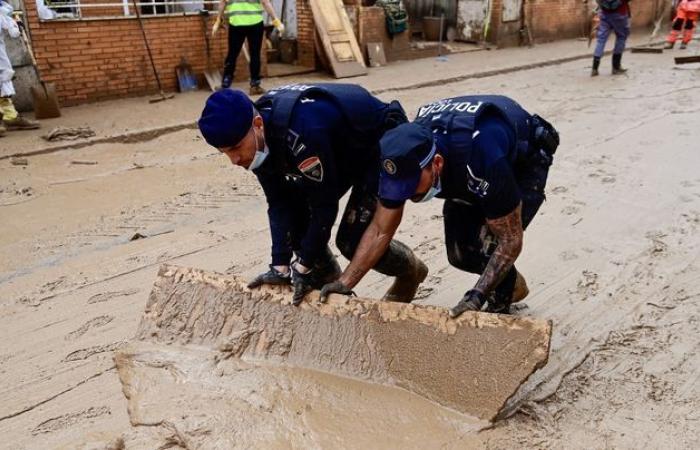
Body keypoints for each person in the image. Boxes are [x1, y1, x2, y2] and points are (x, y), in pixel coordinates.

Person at [319, 95, 559, 317]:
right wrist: (345, 282)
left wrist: (476, 297)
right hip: (462, 162)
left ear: (436, 163)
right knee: (460, 255)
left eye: (411, 184)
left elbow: (510, 240)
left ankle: (502, 301)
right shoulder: (402, 156)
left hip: (520, 162)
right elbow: (381, 229)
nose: (408, 194)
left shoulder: (482, 157)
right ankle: (512, 283)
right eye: (399, 187)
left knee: (487, 247)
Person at [197, 84, 427, 305]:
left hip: (375, 142)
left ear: (258, 124)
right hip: (337, 147)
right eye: (224, 152)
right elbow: (278, 202)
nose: (234, 160)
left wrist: (303, 265)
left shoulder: (302, 133)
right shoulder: (257, 138)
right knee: (296, 220)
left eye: (236, 148)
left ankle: (410, 273)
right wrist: (280, 266)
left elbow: (324, 205)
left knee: (352, 241)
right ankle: (326, 283)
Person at [213, 0, 284, 94]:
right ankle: (255, 85)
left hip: (236, 24)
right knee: (255, 54)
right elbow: (265, 2)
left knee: (232, 54)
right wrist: (276, 20)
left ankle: (226, 83)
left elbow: (222, 3)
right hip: (255, 23)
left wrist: (218, 19)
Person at [0, 1, 39, 137]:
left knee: (4, 85)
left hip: (0, 56)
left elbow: (14, 33)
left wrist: (17, 24)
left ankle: (10, 118)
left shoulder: (2, 12)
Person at [591, 0, 631, 76]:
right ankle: (616, 67)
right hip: (620, 14)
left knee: (601, 40)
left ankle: (594, 68)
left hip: (605, 14)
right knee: (621, 37)